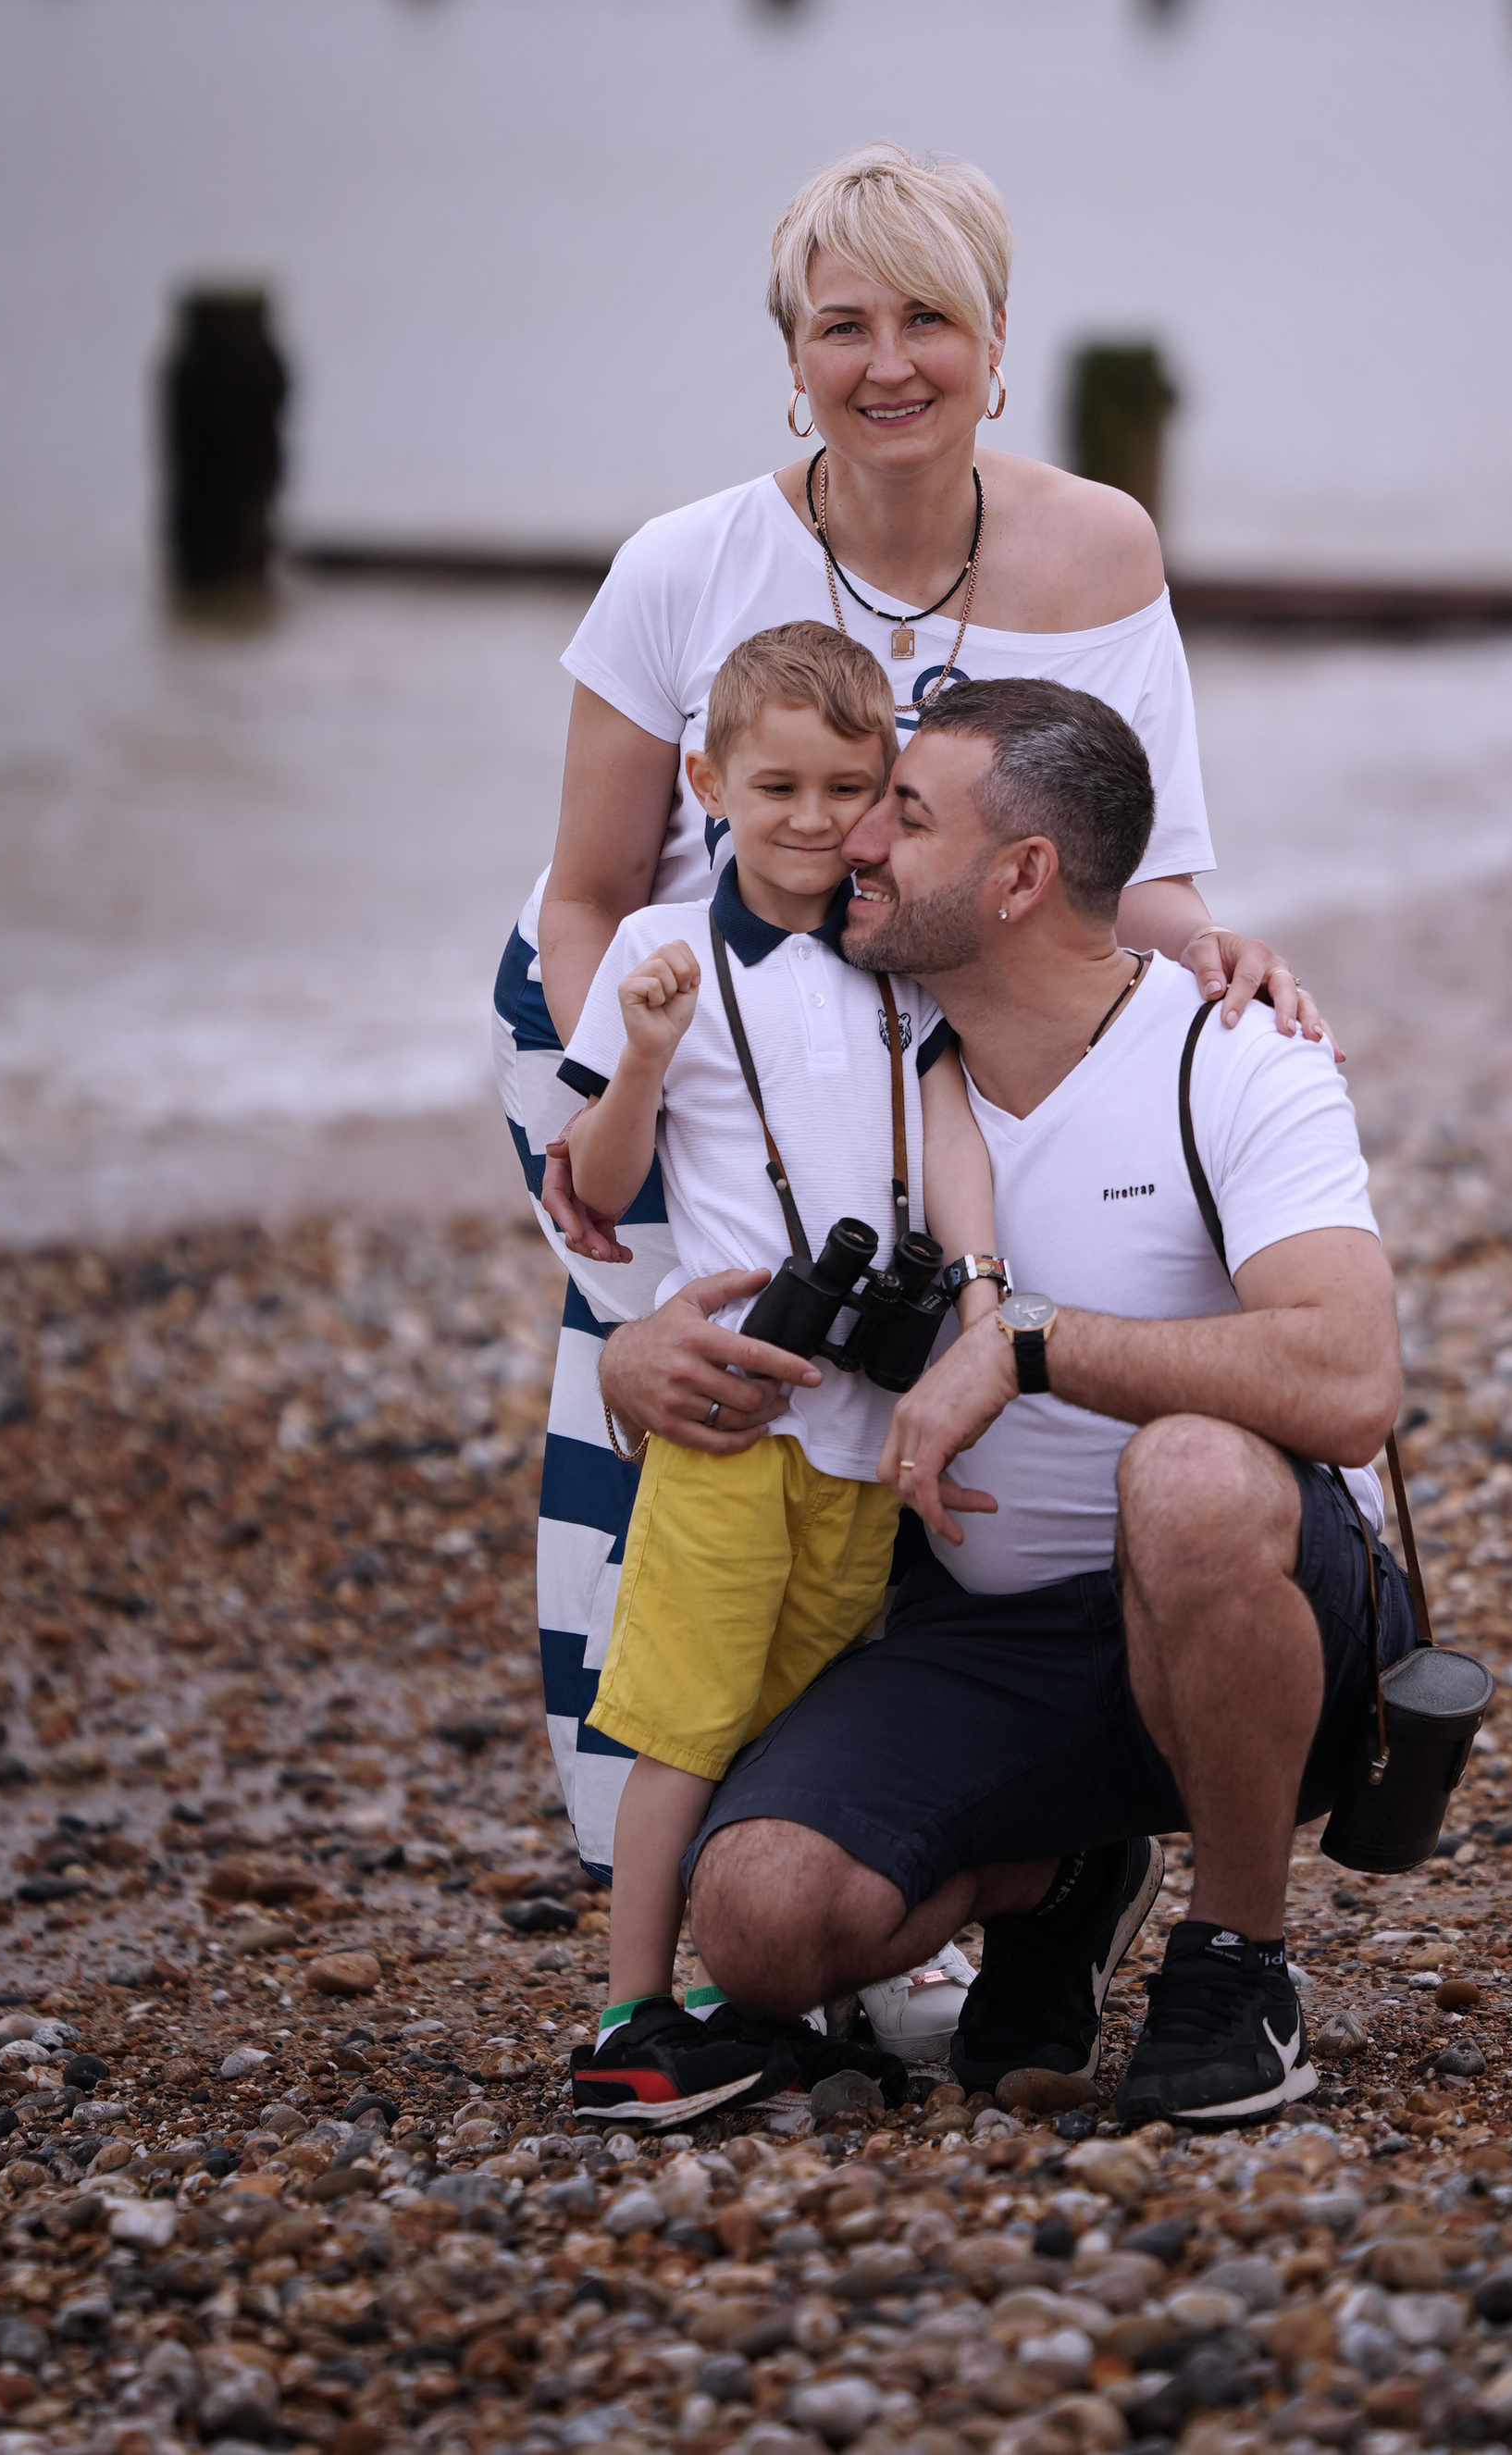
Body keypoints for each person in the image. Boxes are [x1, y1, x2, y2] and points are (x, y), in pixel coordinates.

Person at [492, 143, 1329, 1885]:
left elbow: (1131, 873)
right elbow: (580, 895)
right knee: (665, 1586)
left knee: (906, 1453)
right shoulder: (677, 569)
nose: (887, 364)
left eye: (929, 319)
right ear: (790, 349)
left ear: (1000, 338)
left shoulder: (1098, 550)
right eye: (841, 323)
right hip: (674, 1055)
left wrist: (1223, 953)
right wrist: (627, 1234)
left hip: (907, 1068)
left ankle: (1020, 1834)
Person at [601, 679, 1410, 2129]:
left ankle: (1239, 1959)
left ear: (1022, 874)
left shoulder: (1230, 1054)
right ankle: (1072, 1867)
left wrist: (1030, 1343)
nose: (855, 835)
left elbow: (1353, 1380)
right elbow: (685, 1219)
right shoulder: (867, 1054)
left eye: (903, 812)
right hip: (989, 1638)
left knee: (1190, 1479)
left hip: (1260, 1599)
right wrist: (630, 1359)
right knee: (763, 1925)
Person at [550, 624, 1003, 2126]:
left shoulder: (896, 962)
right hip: (736, 1416)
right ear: (706, 781)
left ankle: (761, 2006)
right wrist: (640, 1050)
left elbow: (949, 1148)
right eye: (778, 786)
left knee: (796, 1712)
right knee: (684, 1709)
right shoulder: (654, 953)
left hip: (861, 1425)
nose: (813, 820)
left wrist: (983, 1296)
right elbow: (599, 1186)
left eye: (848, 789)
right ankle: (627, 2013)